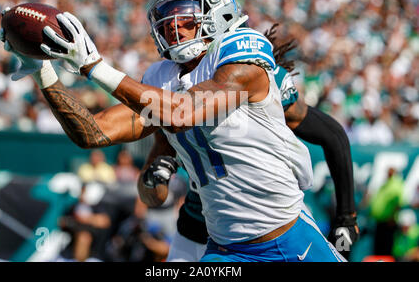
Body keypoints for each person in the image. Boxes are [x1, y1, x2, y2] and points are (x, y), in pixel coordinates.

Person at [0, 0, 344, 262]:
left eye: (184, 16)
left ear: (218, 12)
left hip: (287, 237)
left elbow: (184, 113)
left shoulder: (242, 55)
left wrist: (94, 67)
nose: (173, 27)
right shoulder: (161, 77)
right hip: (225, 250)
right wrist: (44, 73)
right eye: (166, 20)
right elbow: (93, 132)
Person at [143, 24, 359, 262]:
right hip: (199, 226)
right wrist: (156, 176)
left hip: (267, 225)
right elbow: (155, 183)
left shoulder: (254, 78)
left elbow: (333, 135)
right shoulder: (172, 83)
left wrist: (346, 216)